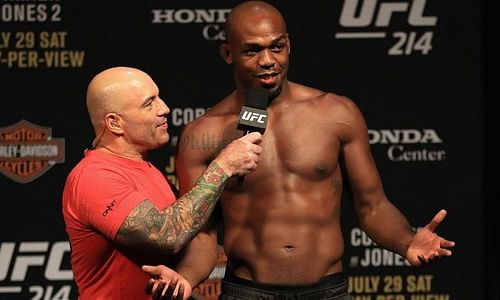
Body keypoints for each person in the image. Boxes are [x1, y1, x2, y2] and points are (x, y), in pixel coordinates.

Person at [144, 1, 455, 299]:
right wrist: (185, 277)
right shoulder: (203, 133)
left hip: (327, 291)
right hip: (248, 292)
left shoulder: (337, 114)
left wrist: (407, 242)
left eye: (276, 47)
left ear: (288, 45)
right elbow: (203, 236)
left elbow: (372, 206)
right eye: (252, 50)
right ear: (228, 53)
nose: (268, 60)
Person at [62, 66, 263, 300]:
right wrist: (223, 166)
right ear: (115, 123)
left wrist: (184, 278)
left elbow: (195, 237)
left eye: (159, 97)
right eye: (149, 104)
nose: (165, 108)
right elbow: (165, 234)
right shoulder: (93, 177)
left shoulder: (148, 170)